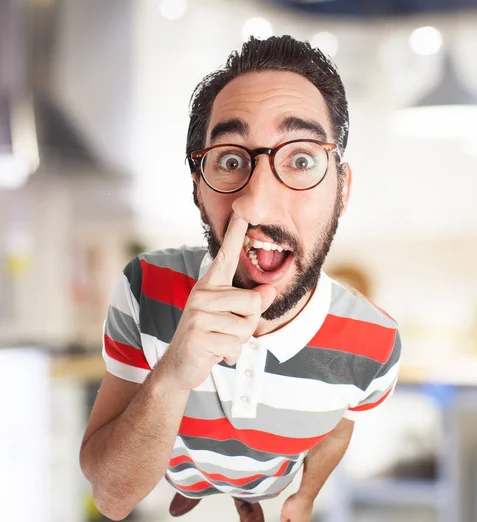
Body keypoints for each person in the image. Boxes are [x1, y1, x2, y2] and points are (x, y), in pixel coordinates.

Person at [79, 35, 401, 522]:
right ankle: (198, 484)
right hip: (179, 475)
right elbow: (112, 498)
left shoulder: (376, 344)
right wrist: (171, 376)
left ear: (343, 188)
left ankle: (227, 485)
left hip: (265, 487)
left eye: (302, 159)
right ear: (197, 186)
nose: (255, 203)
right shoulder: (145, 288)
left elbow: (339, 426)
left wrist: (304, 495)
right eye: (231, 161)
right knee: (186, 469)